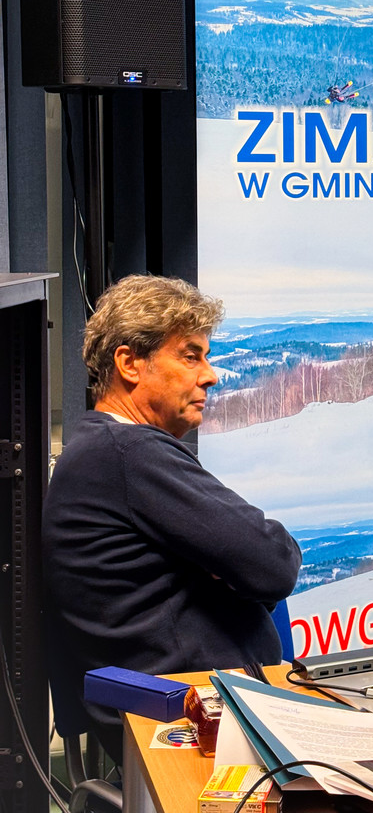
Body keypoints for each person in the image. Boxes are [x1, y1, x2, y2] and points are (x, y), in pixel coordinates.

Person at [42, 274, 302, 763]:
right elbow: (274, 562)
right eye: (190, 356)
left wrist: (234, 570)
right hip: (195, 736)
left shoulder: (103, 449)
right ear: (129, 364)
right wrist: (231, 571)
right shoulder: (128, 452)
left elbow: (258, 568)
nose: (210, 375)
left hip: (209, 718)